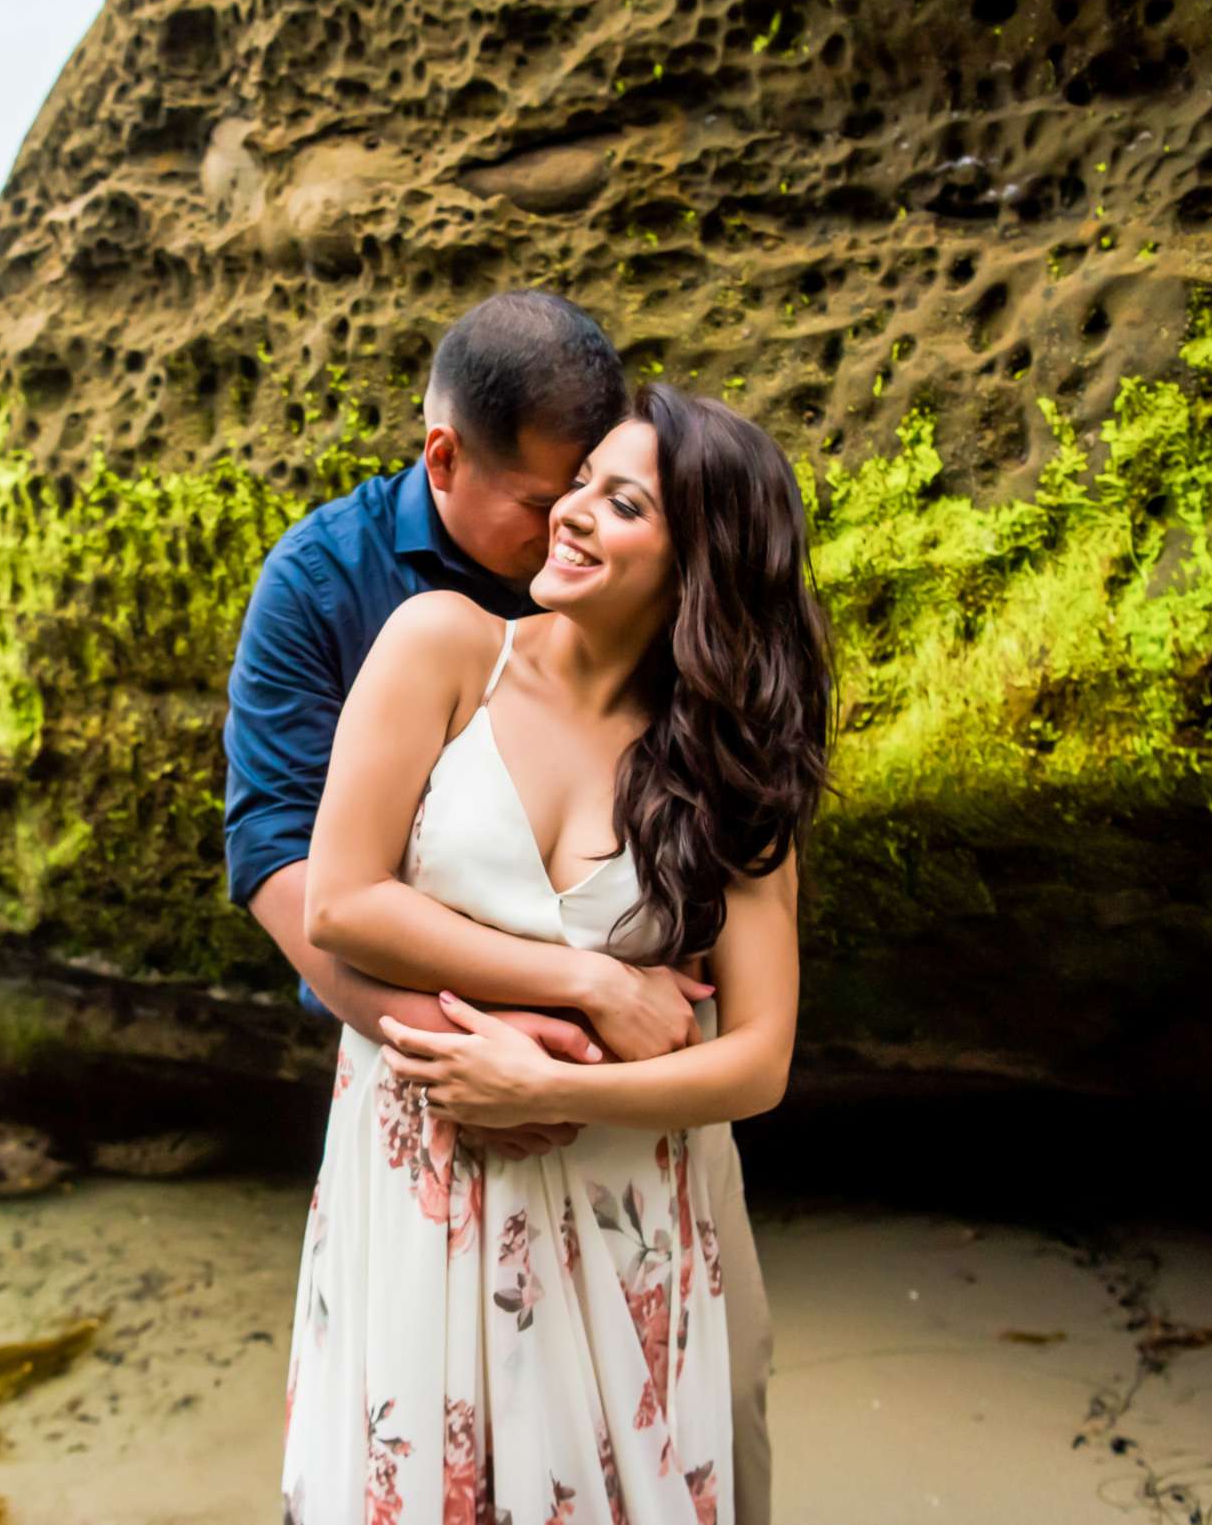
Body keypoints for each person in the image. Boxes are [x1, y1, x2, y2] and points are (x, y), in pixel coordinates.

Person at [223, 290, 819, 1520]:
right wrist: (548, 1006)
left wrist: (559, 1087)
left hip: (638, 1174)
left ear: (697, 560)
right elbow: (312, 887)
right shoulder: (394, 616)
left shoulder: (726, 753)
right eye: (566, 489)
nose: (568, 516)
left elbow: (758, 1055)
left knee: (710, 1443)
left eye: (614, 495)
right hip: (428, 1137)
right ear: (446, 457)